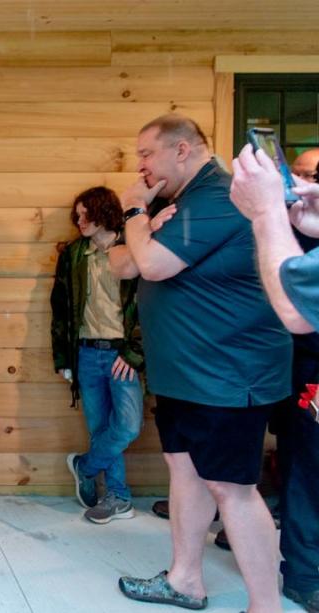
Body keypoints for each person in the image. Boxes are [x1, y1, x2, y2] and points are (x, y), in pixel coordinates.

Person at [108, 114, 291, 612]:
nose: (140, 165)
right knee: (185, 470)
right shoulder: (181, 202)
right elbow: (119, 263)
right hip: (187, 373)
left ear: (182, 150)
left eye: (146, 153)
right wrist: (144, 225)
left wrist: (133, 211)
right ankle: (185, 580)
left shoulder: (217, 197)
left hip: (228, 373)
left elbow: (151, 264)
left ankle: (265, 606)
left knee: (232, 487)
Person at [230, 144, 319, 613]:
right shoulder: (302, 228)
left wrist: (266, 212)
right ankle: (303, 575)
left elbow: (293, 308)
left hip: (302, 359)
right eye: (300, 175)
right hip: (299, 370)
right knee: (305, 469)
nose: (302, 186)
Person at [51, 186, 144, 524]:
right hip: (86, 354)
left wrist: (134, 354)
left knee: (128, 426)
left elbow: (148, 305)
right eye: (76, 217)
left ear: (103, 212)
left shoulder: (134, 249)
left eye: (84, 215)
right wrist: (63, 359)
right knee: (101, 427)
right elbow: (60, 309)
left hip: (122, 354)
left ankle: (85, 466)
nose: (79, 222)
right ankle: (117, 495)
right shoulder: (75, 254)